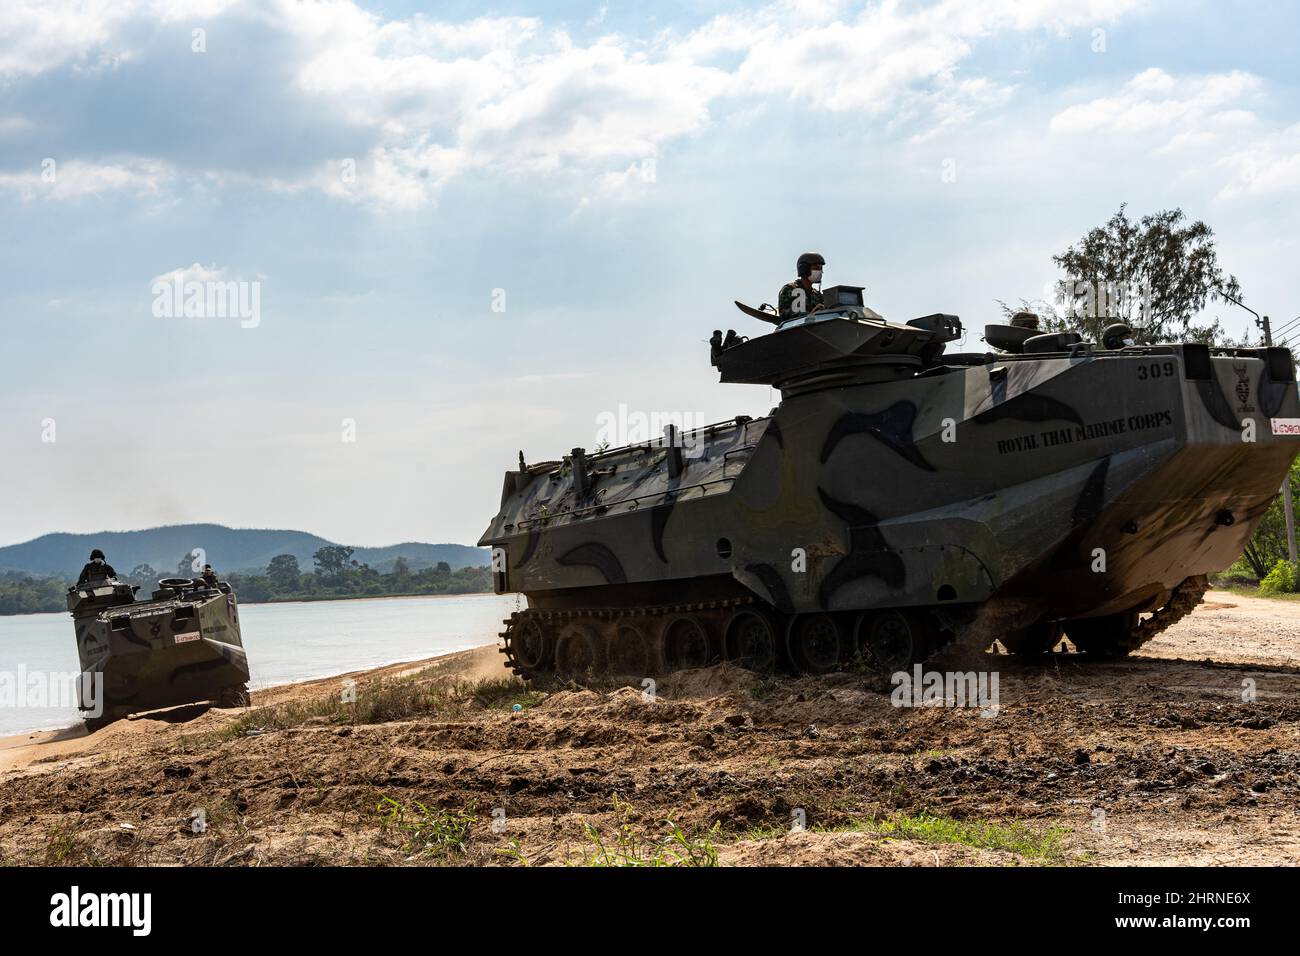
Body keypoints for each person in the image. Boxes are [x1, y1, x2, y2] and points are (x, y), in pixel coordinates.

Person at [777, 252, 825, 319]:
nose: (820, 272)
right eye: (817, 268)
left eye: (821, 269)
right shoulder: (790, 289)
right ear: (805, 269)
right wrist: (810, 315)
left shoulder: (818, 295)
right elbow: (784, 314)